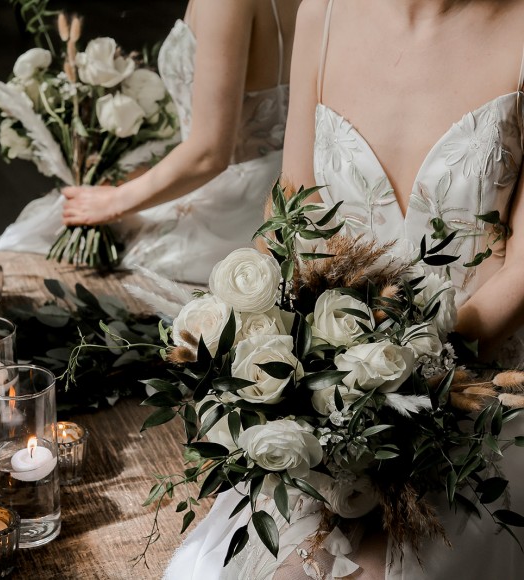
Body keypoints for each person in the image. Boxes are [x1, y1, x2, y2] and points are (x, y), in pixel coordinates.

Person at [165, 0, 524, 578]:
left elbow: (522, 272)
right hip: (330, 388)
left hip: (478, 389)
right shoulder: (324, 14)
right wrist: (279, 354)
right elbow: (291, 212)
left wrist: (408, 372)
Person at [21, 0, 301, 285]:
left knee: (33, 245)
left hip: (228, 208)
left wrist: (114, 202)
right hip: (281, 190)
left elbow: (210, 153)